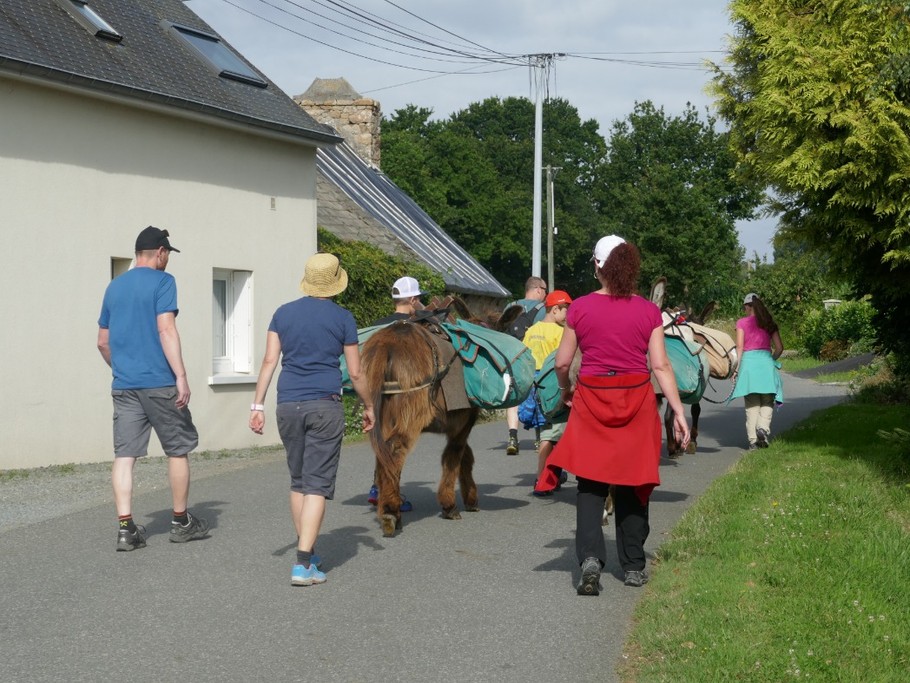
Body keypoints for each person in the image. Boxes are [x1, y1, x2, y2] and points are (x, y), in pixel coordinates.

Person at [545, 235, 689, 594]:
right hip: (637, 401)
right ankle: (634, 565)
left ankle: (591, 558)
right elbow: (660, 365)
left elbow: (562, 362)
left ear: (598, 267)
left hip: (592, 399)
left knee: (590, 483)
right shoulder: (648, 311)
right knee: (633, 480)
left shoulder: (579, 308)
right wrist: (677, 409)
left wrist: (566, 389)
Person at [249, 252, 375, 587]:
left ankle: (309, 550)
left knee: (299, 481)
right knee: (317, 484)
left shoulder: (282, 314)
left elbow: (268, 361)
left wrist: (257, 406)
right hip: (324, 406)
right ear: (335, 283)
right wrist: (369, 405)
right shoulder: (343, 318)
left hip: (288, 404)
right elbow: (357, 371)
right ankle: (303, 564)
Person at [97, 226, 209, 552]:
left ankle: (125, 529)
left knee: (124, 456)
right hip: (160, 384)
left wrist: (122, 369)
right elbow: (166, 328)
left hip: (125, 385)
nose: (167, 261)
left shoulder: (114, 287)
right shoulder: (164, 282)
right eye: (167, 255)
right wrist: (182, 376)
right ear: (160, 252)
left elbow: (103, 342)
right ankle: (180, 521)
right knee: (177, 449)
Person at [365, 276, 423, 510]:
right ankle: (390, 494)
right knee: (398, 441)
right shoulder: (415, 330)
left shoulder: (377, 328)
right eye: (418, 298)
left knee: (382, 437)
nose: (419, 302)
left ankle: (376, 485)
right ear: (410, 299)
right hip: (404, 392)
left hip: (375, 391)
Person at [521, 290, 572, 496]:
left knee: (544, 432)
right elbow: (563, 362)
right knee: (551, 435)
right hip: (552, 384)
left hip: (534, 386)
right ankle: (541, 479)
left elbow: (524, 356)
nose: (568, 315)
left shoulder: (531, 330)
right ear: (555, 309)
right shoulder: (561, 333)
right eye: (566, 310)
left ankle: (554, 473)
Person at [731, 293, 784, 450]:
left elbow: (739, 347)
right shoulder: (769, 323)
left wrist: (736, 368)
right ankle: (762, 428)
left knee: (752, 404)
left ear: (748, 306)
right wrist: (771, 360)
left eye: (744, 307)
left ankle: (753, 441)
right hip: (766, 363)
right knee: (768, 400)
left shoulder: (741, 323)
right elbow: (780, 348)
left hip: (748, 365)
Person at [503, 276, 548, 455]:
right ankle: (539, 438)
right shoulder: (543, 310)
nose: (545, 294)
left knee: (513, 397)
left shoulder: (510, 306)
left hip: (513, 357)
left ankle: (513, 437)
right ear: (537, 289)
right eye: (545, 290)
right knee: (537, 396)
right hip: (534, 360)